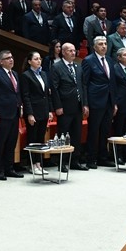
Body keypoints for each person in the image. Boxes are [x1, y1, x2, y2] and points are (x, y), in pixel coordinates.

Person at [50, 41, 87, 171]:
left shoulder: (78, 66)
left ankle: (74, 160)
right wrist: (58, 106)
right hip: (64, 107)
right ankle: (61, 161)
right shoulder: (57, 67)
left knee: (76, 134)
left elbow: (82, 86)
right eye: (70, 51)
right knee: (63, 134)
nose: (73, 53)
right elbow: (54, 88)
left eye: (74, 50)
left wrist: (85, 104)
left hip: (77, 106)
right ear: (63, 52)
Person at [80, 35, 114, 169]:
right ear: (94, 47)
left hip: (108, 101)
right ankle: (91, 158)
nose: (104, 46)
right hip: (95, 101)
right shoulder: (88, 61)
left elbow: (112, 83)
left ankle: (103, 157)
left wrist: (114, 101)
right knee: (94, 131)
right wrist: (85, 103)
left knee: (105, 130)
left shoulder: (110, 60)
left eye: (105, 44)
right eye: (100, 44)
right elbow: (85, 83)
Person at [0, 50, 23, 180]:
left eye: (12, 57)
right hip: (3, 114)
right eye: (8, 58)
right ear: (1, 61)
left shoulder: (14, 73)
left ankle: (9, 168)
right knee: (0, 143)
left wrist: (20, 106)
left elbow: (17, 93)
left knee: (11, 142)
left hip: (14, 113)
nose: (11, 60)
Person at [19, 51, 53, 173]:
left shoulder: (43, 74)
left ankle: (39, 164)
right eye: (36, 59)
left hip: (43, 110)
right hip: (33, 111)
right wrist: (29, 114)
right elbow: (26, 96)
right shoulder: (26, 76)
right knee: (33, 139)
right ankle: (32, 164)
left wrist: (50, 110)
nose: (39, 61)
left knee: (40, 139)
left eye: (40, 59)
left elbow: (47, 94)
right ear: (29, 61)